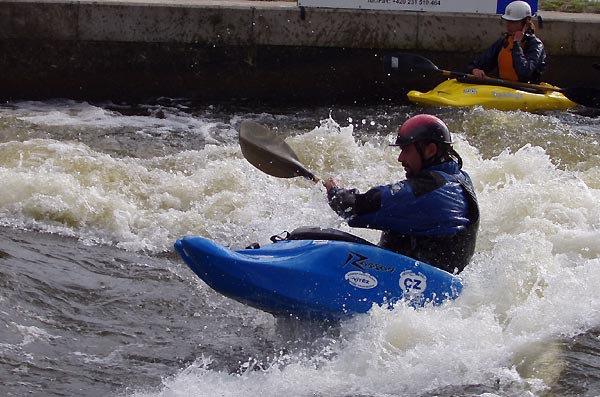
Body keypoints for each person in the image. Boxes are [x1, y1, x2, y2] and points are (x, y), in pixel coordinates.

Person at [324, 114, 479, 274]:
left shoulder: (426, 191)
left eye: (406, 150)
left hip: (414, 287)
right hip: (440, 283)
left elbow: (353, 207)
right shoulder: (460, 178)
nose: (400, 158)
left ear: (430, 150)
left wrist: (335, 191)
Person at [466, 1, 546, 84]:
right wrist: (474, 69)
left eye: (513, 22)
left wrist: (517, 44)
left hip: (526, 90)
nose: (508, 25)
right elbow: (478, 63)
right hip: (504, 89)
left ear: (526, 22)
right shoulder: (504, 41)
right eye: (508, 21)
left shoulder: (535, 45)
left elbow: (525, 72)